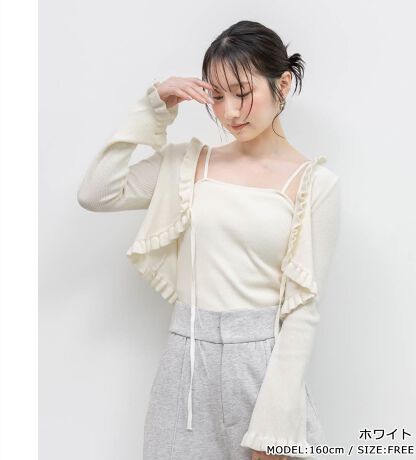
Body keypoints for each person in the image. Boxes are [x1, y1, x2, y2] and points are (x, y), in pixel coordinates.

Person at [77, 20, 340, 460]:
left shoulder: (316, 184)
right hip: (184, 368)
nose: (231, 112)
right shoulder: (187, 165)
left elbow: (302, 312)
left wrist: (273, 433)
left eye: (242, 92)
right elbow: (96, 192)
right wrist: (154, 105)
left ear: (282, 84)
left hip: (263, 370)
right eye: (217, 96)